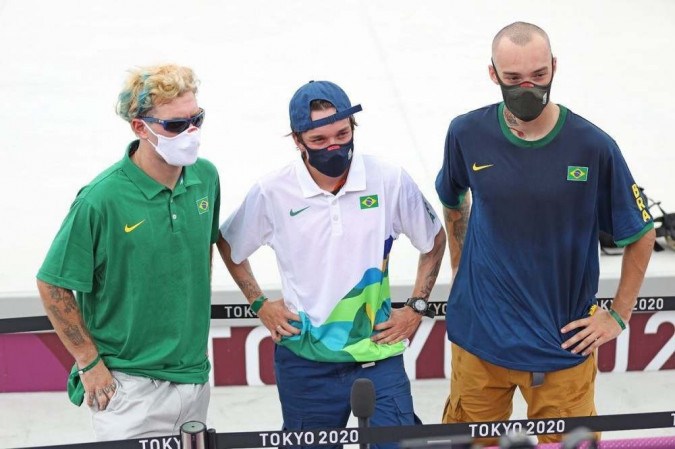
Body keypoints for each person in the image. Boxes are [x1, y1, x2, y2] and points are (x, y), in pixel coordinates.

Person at [435, 22, 656, 445]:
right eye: (513, 79)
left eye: (538, 75)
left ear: (554, 67)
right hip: (478, 344)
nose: (528, 88)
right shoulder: (466, 133)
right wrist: (460, 267)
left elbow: (640, 233)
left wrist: (618, 316)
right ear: (493, 74)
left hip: (562, 352)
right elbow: (453, 198)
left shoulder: (592, 146)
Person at [218, 80, 445, 449]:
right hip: (305, 361)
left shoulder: (388, 179)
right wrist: (260, 304)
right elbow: (229, 245)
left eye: (342, 134)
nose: (334, 147)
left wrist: (417, 307)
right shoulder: (272, 191)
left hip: (377, 350)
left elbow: (433, 240)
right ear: (297, 140)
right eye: (319, 141)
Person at [36, 64, 220, 441]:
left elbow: (205, 252)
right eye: (175, 125)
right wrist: (89, 363)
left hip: (195, 379)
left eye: (196, 119)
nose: (191, 133)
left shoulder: (206, 178)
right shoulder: (100, 199)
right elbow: (52, 284)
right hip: (128, 388)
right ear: (140, 127)